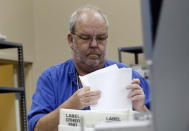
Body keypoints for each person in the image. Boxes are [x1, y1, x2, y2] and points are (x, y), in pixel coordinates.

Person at [27, 6, 150, 131]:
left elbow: (161, 124)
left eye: (101, 38)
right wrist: (69, 107)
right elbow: (37, 128)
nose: (94, 45)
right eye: (86, 38)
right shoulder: (51, 79)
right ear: (71, 40)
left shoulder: (131, 78)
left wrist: (141, 109)